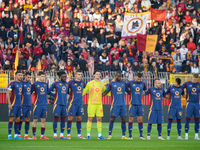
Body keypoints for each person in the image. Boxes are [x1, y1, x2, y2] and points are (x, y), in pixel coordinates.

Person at [102, 71, 129, 139]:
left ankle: (123, 135)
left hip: (122, 104)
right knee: (112, 118)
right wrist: (99, 95)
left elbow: (128, 91)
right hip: (115, 104)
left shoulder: (124, 83)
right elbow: (105, 92)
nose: (119, 77)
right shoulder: (111, 84)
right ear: (115, 76)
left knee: (123, 119)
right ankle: (110, 135)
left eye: (120, 76)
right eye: (118, 76)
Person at [82, 70, 107, 139]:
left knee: (99, 119)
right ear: (94, 75)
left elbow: (106, 92)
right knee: (90, 118)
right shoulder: (89, 83)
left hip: (99, 104)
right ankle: (88, 134)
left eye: (99, 74)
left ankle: (99, 135)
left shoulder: (102, 84)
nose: (98, 75)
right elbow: (84, 91)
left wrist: (114, 93)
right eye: (97, 74)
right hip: (91, 104)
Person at [48, 71, 68, 139]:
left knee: (63, 119)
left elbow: (69, 93)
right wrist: (55, 95)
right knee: (56, 119)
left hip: (64, 104)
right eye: (63, 77)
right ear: (60, 77)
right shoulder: (56, 84)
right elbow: (48, 91)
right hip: (57, 104)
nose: (65, 78)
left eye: (65, 77)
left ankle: (61, 135)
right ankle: (55, 135)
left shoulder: (67, 84)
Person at [67, 70, 86, 139]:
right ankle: (68, 134)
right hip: (72, 103)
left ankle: (79, 135)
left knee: (79, 118)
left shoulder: (82, 83)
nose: (80, 75)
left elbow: (86, 89)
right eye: (79, 74)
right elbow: (66, 91)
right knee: (70, 117)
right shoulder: (71, 83)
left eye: (81, 74)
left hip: (80, 103)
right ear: (75, 75)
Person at [127, 72, 147, 140]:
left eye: (140, 79)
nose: (139, 80)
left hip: (140, 104)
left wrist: (143, 94)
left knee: (140, 119)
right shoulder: (130, 83)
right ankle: (130, 135)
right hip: (132, 104)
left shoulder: (143, 84)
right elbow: (124, 86)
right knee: (131, 119)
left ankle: (141, 135)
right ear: (135, 77)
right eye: (138, 79)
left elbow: (145, 90)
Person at [182, 73, 200, 140]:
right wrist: (183, 94)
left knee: (197, 120)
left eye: (196, 79)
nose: (195, 80)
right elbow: (180, 88)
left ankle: (196, 136)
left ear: (197, 79)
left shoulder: (199, 85)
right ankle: (186, 135)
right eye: (194, 79)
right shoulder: (187, 84)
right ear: (192, 78)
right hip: (189, 103)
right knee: (187, 119)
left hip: (197, 104)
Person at [31, 71, 49, 139]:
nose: (43, 78)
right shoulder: (35, 84)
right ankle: (34, 135)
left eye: (44, 76)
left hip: (44, 105)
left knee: (43, 120)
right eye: (42, 76)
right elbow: (30, 92)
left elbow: (47, 92)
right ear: (38, 77)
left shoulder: (45, 84)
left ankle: (42, 135)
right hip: (37, 105)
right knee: (35, 120)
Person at [7, 71, 23, 140]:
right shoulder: (12, 83)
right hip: (13, 104)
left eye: (21, 75)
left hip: (19, 105)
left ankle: (16, 135)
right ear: (16, 76)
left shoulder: (21, 84)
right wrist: (9, 104)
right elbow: (8, 93)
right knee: (11, 119)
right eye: (19, 75)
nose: (21, 76)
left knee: (18, 119)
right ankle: (9, 135)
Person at [18, 72, 32, 139]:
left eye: (30, 77)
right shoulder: (21, 83)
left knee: (28, 119)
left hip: (29, 105)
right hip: (23, 105)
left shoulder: (30, 84)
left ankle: (26, 135)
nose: (29, 78)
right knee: (21, 119)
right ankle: (18, 134)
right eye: (28, 77)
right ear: (25, 76)